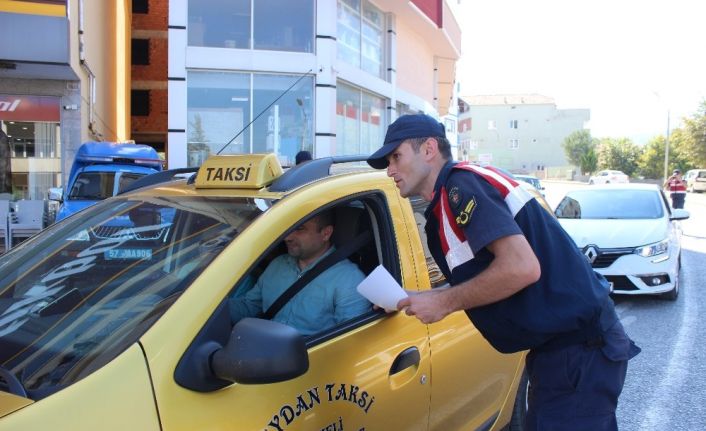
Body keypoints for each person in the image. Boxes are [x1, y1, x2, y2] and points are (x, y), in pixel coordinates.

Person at [367, 113, 640, 430]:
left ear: (428, 149)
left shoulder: (462, 186)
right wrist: (422, 296)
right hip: (561, 353)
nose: (390, 170)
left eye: (396, 157)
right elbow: (486, 275)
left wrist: (442, 303)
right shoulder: (450, 197)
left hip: (579, 352)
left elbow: (521, 268)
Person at [229, 210, 370, 335]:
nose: (287, 237)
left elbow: (350, 339)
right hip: (258, 348)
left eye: (299, 228)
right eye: (288, 228)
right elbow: (250, 307)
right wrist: (211, 308)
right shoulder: (278, 264)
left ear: (326, 233)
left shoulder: (349, 279)